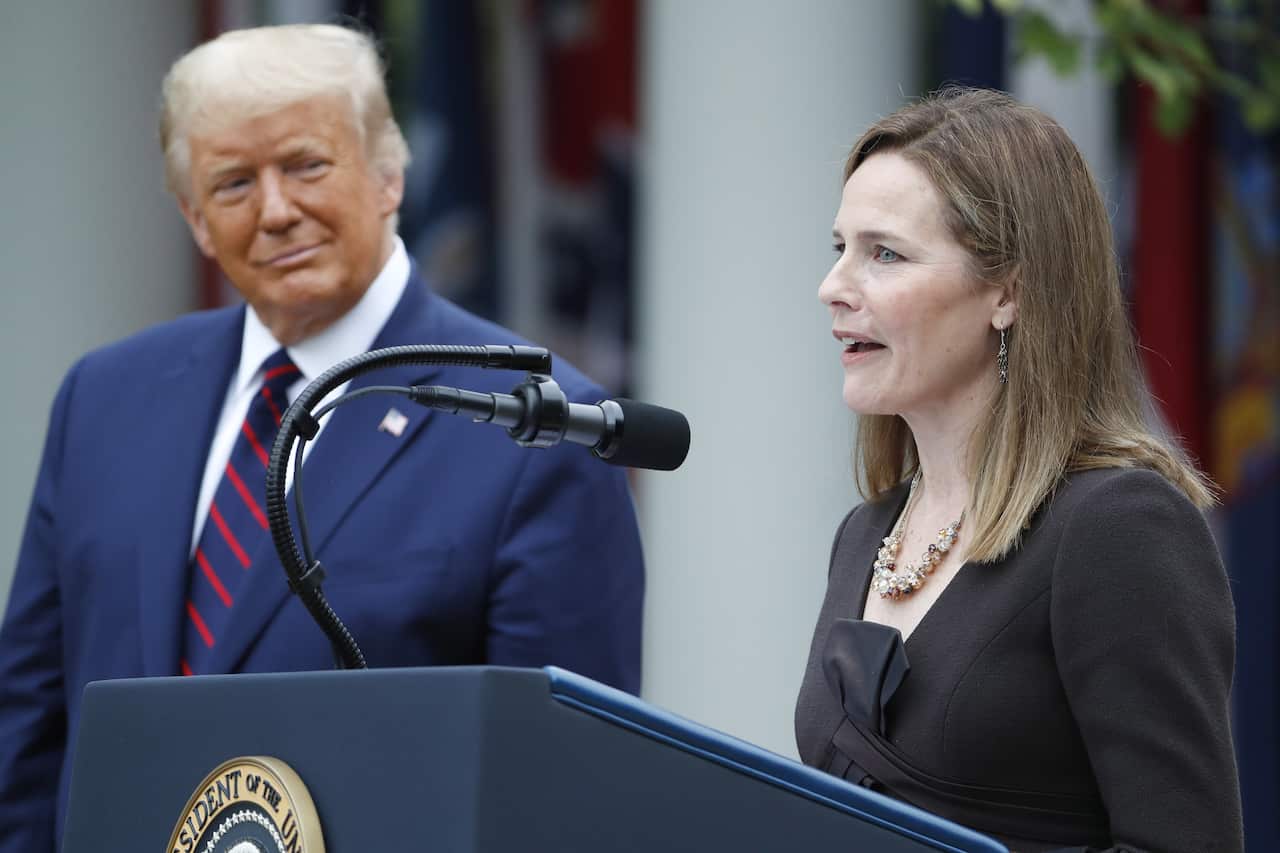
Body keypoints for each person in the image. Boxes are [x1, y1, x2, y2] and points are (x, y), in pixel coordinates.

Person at [0, 23, 644, 852]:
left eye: (306, 165)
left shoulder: (535, 425)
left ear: (389, 174)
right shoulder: (105, 399)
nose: (276, 210)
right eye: (233, 184)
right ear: (196, 220)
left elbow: (564, 794)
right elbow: (28, 734)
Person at [794, 88, 1243, 853]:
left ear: (1008, 291)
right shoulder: (864, 533)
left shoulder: (1118, 525)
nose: (833, 286)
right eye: (838, 247)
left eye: (885, 253)